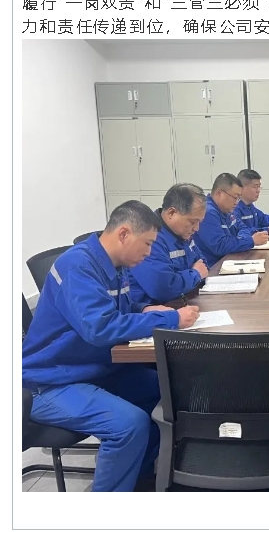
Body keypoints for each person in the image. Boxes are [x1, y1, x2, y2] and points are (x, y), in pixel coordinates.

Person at [22, 201, 200, 492]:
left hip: (91, 369)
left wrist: (143, 309)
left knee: (168, 391)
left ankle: (138, 477)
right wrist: (171, 319)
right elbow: (100, 327)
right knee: (128, 424)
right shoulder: (78, 266)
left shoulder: (115, 264)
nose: (149, 252)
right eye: (147, 244)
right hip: (49, 382)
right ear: (124, 234)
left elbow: (117, 308)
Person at [129, 184, 209, 305]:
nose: (196, 228)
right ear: (171, 213)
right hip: (151, 310)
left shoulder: (182, 233)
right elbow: (162, 288)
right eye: (193, 222)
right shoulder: (149, 237)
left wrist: (185, 277)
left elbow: (203, 264)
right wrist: (195, 274)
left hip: (179, 302)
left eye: (199, 222)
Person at [193, 173, 269, 267]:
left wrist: (242, 239)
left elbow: (243, 228)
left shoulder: (227, 209)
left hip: (230, 261)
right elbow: (220, 246)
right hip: (214, 268)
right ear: (219, 193)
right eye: (235, 197)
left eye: (238, 198)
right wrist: (250, 241)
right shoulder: (208, 212)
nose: (237, 202)